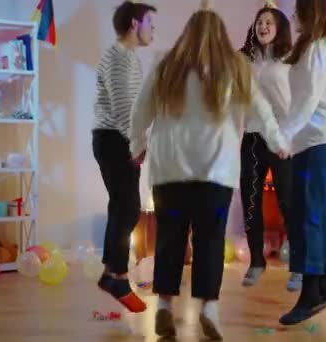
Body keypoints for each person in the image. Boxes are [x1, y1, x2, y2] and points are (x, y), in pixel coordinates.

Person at [129, 1, 289, 339]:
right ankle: (209, 309)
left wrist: (136, 145)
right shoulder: (235, 67)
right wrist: (277, 143)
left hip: (169, 170)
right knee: (210, 241)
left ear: (186, 34)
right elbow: (261, 109)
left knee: (170, 240)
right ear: (221, 36)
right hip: (215, 172)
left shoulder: (166, 64)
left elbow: (141, 109)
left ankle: (163, 307)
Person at [277, 0, 326, 325]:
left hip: (324, 141)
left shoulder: (321, 48)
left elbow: (308, 101)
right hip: (313, 141)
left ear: (312, 13)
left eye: (298, 12)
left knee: (309, 215)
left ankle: (310, 294)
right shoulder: (312, 46)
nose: (294, 18)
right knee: (313, 212)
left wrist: (284, 137)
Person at [91, 0, 156, 313]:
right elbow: (122, 111)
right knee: (128, 207)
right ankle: (116, 275)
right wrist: (137, 144)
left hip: (118, 139)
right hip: (115, 140)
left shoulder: (129, 57)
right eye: (150, 24)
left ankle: (111, 273)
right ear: (134, 24)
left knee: (123, 206)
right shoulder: (119, 58)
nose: (153, 30)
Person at [238, 0, 302, 291]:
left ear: (280, 29)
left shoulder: (289, 59)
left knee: (288, 202)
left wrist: (286, 138)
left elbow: (293, 104)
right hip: (252, 137)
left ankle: (299, 268)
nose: (263, 26)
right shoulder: (246, 59)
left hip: (282, 138)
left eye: (269, 23)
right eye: (260, 22)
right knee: (250, 202)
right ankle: (256, 262)